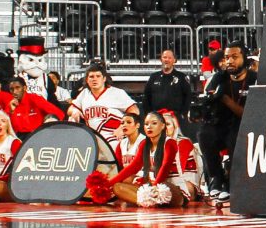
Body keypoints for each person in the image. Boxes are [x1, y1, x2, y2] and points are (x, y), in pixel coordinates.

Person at [197, 42, 255, 200]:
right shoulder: (219, 77)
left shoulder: (254, 79)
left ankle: (231, 183)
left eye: (235, 57)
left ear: (244, 58)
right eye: (227, 57)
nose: (229, 61)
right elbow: (207, 97)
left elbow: (250, 114)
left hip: (246, 124)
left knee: (234, 137)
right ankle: (216, 178)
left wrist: (225, 99)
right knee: (205, 134)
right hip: (222, 122)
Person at [104, 110, 190, 207]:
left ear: (162, 126)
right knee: (118, 187)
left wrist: (154, 186)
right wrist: (107, 184)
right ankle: (148, 203)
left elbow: (165, 167)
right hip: (151, 189)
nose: (149, 126)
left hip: (172, 188)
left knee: (161, 189)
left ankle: (148, 201)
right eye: (146, 124)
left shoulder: (169, 143)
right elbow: (133, 167)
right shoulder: (144, 144)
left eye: (154, 123)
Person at [68, 63, 138, 147]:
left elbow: (135, 111)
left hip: (114, 137)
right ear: (87, 80)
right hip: (94, 139)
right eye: (91, 77)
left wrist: (123, 128)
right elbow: (70, 109)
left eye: (98, 76)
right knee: (71, 119)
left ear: (104, 78)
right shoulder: (84, 93)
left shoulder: (116, 92)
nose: (95, 79)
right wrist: (75, 111)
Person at [143, 49, 191, 123]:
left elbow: (188, 97)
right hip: (157, 118)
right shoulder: (154, 77)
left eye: (169, 58)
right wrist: (149, 114)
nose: (167, 60)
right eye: (164, 57)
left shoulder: (181, 77)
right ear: (161, 59)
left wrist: (183, 114)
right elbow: (146, 96)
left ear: (174, 60)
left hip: (175, 118)